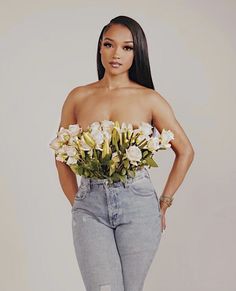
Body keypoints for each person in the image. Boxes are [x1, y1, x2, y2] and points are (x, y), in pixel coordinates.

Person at [54, 15, 194, 291]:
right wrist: (79, 202)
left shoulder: (150, 99)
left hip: (139, 207)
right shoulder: (78, 97)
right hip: (90, 208)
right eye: (109, 44)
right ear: (100, 48)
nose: (116, 54)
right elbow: (61, 155)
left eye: (127, 47)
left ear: (137, 52)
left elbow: (186, 151)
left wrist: (163, 203)